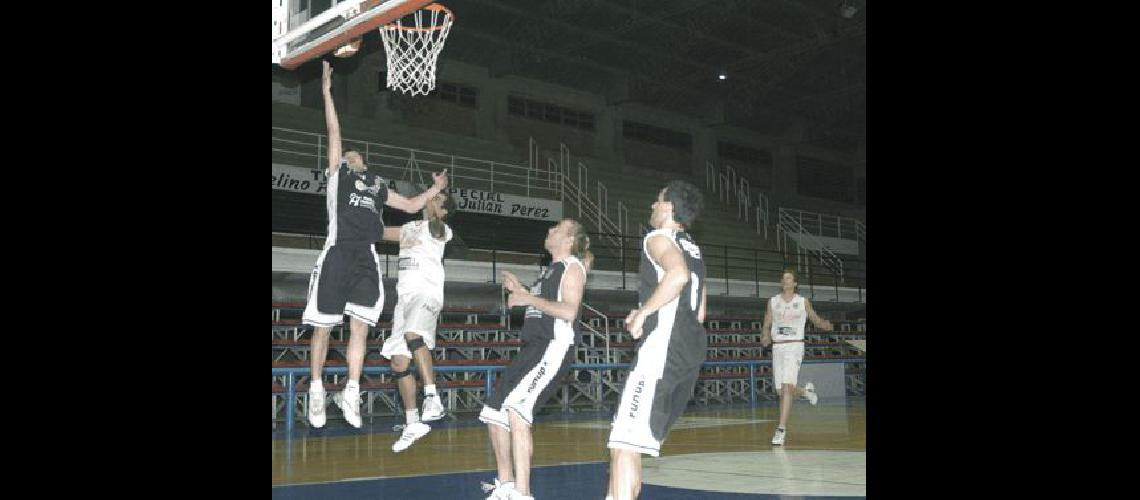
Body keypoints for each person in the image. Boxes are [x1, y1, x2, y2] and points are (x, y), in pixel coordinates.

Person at [304, 60, 448, 429]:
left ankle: (351, 390)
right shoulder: (338, 177)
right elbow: (333, 130)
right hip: (337, 252)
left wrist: (436, 188)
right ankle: (317, 390)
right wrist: (325, 92)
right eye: (347, 154)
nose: (352, 155)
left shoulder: (379, 186)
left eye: (355, 153)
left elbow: (414, 206)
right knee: (323, 327)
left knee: (360, 329)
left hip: (366, 258)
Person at [606, 181, 706, 500]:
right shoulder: (693, 247)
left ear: (668, 208)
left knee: (623, 446)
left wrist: (643, 312)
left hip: (662, 351)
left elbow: (677, 277)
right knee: (627, 444)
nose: (652, 205)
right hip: (689, 352)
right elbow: (700, 309)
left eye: (657, 201)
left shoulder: (658, 238)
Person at [480, 219, 593, 500]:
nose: (550, 230)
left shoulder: (572, 268)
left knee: (518, 413)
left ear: (569, 239)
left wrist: (527, 299)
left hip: (553, 348)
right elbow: (540, 304)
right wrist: (520, 290)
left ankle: (523, 493)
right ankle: (506, 484)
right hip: (533, 349)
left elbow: (568, 311)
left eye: (557, 228)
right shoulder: (549, 272)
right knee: (494, 412)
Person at [381, 189, 457, 451]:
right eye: (431, 197)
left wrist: (435, 204)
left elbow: (435, 228)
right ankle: (412, 422)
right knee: (398, 362)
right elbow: (377, 232)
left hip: (427, 293)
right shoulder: (410, 227)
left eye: (437, 200)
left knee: (414, 334)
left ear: (444, 211)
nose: (430, 200)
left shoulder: (441, 230)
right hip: (404, 299)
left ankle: (432, 397)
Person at [759, 269, 833, 445]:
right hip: (778, 347)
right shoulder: (773, 302)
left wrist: (824, 325)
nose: (785, 281)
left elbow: (814, 318)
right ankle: (806, 392)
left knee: (786, 388)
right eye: (783, 278)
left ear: (795, 283)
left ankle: (781, 429)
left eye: (789, 278)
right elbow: (767, 322)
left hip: (794, 345)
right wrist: (765, 335)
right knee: (782, 391)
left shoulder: (802, 302)